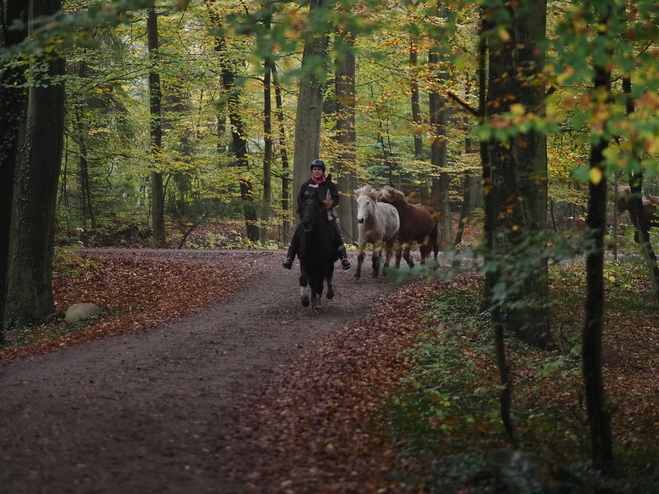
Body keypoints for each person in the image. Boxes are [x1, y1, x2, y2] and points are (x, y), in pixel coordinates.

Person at [282, 159, 352, 270]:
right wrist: (305, 208)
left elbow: (336, 199)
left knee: (335, 231)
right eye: (314, 169)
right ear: (311, 171)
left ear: (323, 171)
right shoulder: (306, 185)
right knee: (298, 232)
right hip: (309, 216)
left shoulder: (329, 185)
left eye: (319, 169)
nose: (317, 171)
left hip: (325, 216)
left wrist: (329, 204)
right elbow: (300, 199)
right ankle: (290, 257)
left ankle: (343, 258)